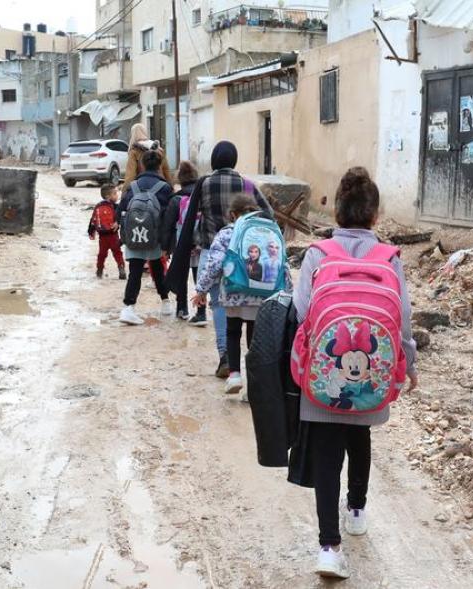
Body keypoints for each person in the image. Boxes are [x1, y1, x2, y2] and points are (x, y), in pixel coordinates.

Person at [292, 168, 419, 579]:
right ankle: (357, 509)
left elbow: (301, 310)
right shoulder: (391, 259)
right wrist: (409, 364)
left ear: (338, 213)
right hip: (373, 378)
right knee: (359, 436)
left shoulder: (318, 254)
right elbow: (401, 321)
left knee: (327, 454)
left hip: (323, 375)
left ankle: (329, 547)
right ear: (375, 216)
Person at [168, 141, 276, 378]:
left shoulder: (204, 183)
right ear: (234, 159)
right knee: (247, 307)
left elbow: (190, 217)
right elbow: (269, 213)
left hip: (212, 251)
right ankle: (247, 365)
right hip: (244, 255)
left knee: (219, 305)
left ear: (214, 160)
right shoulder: (245, 184)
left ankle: (225, 357)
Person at [194, 194, 280, 397]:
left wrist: (201, 289)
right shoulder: (268, 231)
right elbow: (279, 263)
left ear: (232, 214)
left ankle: (234, 375)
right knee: (254, 338)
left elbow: (213, 265)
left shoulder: (227, 233)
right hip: (262, 294)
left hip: (234, 292)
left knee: (232, 332)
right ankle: (252, 385)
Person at [117, 148, 176, 325]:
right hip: (155, 237)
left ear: (141, 165)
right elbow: (169, 217)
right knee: (157, 268)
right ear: (159, 165)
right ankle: (166, 303)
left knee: (135, 272)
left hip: (134, 236)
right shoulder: (165, 187)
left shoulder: (132, 186)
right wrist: (167, 243)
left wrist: (124, 235)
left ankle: (128, 308)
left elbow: (120, 212)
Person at [170, 161, 209, 324]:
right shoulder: (203, 195)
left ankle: (182, 309)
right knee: (200, 277)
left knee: (181, 277)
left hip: (183, 245)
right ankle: (201, 312)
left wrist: (166, 246)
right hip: (200, 244)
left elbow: (168, 224)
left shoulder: (176, 198)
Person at [88, 184, 126, 280]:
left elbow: (93, 220)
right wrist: (119, 223)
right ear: (108, 196)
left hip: (102, 236)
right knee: (117, 253)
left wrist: (91, 232)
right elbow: (122, 217)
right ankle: (121, 268)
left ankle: (99, 270)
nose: (117, 195)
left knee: (102, 254)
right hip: (113, 235)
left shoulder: (98, 206)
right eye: (114, 193)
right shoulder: (116, 206)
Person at [122, 123, 172, 188]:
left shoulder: (134, 151)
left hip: (142, 187)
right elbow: (166, 171)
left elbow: (130, 175)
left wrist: (125, 193)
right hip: (160, 185)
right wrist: (171, 188)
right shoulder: (159, 149)